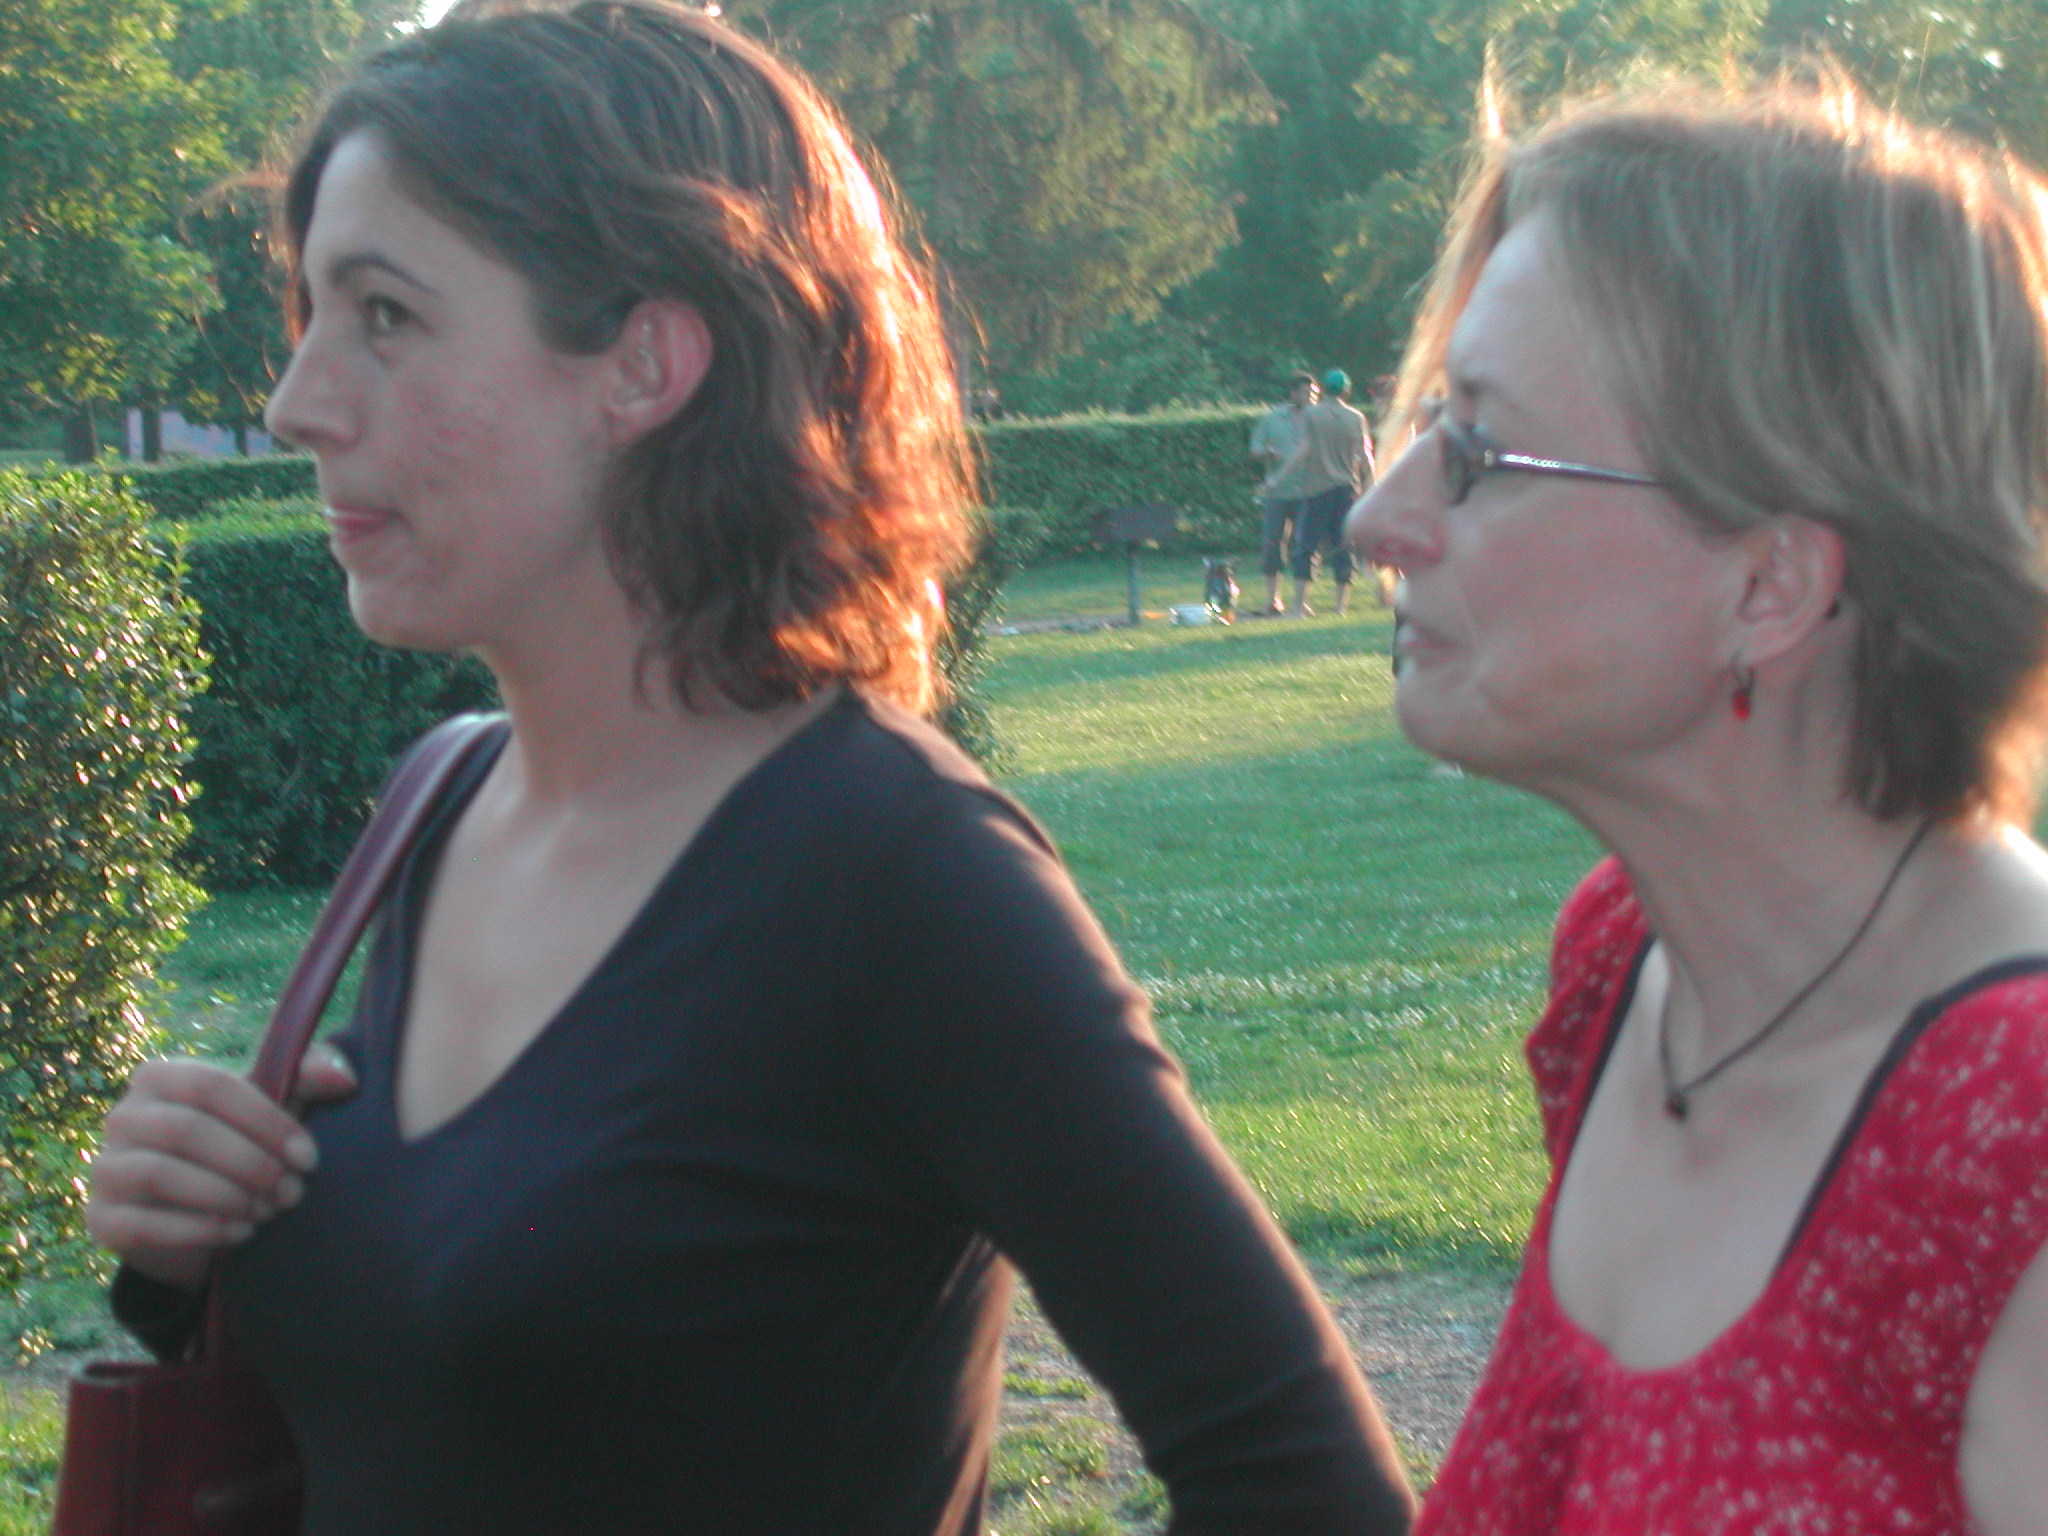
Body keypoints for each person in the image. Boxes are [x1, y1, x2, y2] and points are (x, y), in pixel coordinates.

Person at [81, 6, 1417, 1535]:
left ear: (643, 364)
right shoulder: (438, 808)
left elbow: (1304, 1484)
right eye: (311, 310)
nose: (297, 400)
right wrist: (187, 1248)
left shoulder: (896, 874)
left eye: (384, 313)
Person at [1346, 76, 2048, 1534]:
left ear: (1768, 585)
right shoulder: (1627, 966)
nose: (1379, 521)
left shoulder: (2017, 1130)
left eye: (1476, 451)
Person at [1270, 368, 1372, 617]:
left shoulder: (1311, 415)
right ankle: (1340, 606)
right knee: (1344, 546)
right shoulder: (1356, 417)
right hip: (1347, 489)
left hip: (1317, 489)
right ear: (1346, 391)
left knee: (1306, 546)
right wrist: (1373, 484)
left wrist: (1276, 478)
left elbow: (1303, 450)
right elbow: (1364, 454)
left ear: (1324, 389)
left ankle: (1299, 606)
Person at [1248, 370, 1319, 615]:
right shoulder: (1272, 419)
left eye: (1314, 393)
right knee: (1272, 544)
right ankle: (1272, 600)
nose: (1311, 397)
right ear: (1292, 393)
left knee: (1306, 547)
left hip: (1309, 491)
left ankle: (1302, 601)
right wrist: (1266, 453)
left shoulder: (1320, 419)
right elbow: (1255, 449)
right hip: (1277, 493)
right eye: (1306, 392)